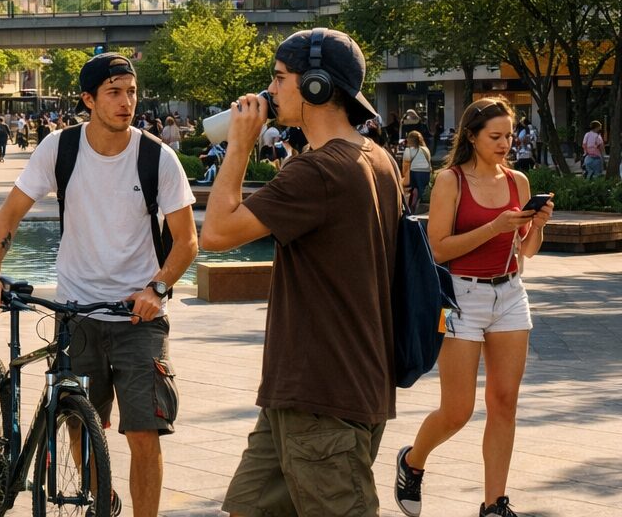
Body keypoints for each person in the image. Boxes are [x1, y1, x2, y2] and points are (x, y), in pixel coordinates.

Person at [0, 53, 198, 517]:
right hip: (75, 313)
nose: (126, 102)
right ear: (89, 99)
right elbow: (8, 216)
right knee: (77, 421)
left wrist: (157, 290)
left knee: (145, 431)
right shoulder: (61, 149)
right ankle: (102, 500)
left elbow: (187, 241)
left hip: (137, 316)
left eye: (131, 91)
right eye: (114, 92)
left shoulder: (157, 156)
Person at [201, 28, 400, 517]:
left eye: (278, 78)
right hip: (308, 392)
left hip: (322, 397)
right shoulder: (375, 158)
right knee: (248, 509)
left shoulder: (319, 172)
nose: (269, 91)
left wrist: (239, 146)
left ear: (316, 86)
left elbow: (216, 232)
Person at [394, 97, 554, 517]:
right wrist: (494, 226)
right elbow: (438, 249)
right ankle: (413, 461)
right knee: (457, 409)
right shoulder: (451, 181)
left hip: (510, 295)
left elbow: (526, 251)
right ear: (471, 136)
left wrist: (536, 226)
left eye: (509, 136)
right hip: (460, 297)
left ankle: (494, 505)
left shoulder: (518, 181)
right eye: (495, 136)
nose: (505, 144)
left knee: (504, 403)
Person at [401, 129, 434, 214]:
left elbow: (405, 165)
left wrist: (404, 175)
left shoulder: (409, 150)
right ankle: (421, 206)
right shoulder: (426, 149)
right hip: (426, 172)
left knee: (414, 189)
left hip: (414, 173)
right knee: (421, 191)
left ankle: (412, 208)